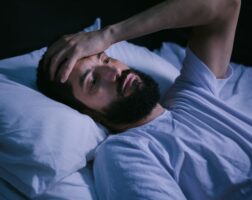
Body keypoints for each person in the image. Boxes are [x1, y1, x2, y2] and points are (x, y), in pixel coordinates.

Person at [37, 0, 252, 199]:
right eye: (93, 81)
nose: (114, 72)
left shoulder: (192, 94)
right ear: (85, 112)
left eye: (106, 58)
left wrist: (108, 35)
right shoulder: (125, 151)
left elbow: (225, 5)